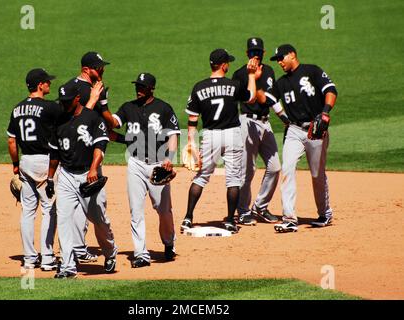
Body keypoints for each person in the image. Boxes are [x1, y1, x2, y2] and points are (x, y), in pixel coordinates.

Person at [180, 48, 259, 234]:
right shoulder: (234, 85)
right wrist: (252, 75)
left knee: (201, 176)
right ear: (224, 65)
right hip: (232, 135)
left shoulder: (198, 87)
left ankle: (188, 218)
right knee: (233, 179)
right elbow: (252, 97)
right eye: (228, 62)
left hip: (210, 136)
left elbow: (192, 120)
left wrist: (191, 143)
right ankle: (231, 221)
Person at [108, 73, 180, 268]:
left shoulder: (163, 108)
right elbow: (113, 124)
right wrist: (103, 106)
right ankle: (141, 254)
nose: (138, 89)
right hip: (135, 164)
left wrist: (169, 159)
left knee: (163, 210)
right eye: (137, 85)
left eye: (142, 86)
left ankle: (168, 242)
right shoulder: (127, 107)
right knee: (136, 211)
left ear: (151, 89)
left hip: (158, 164)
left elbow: (173, 135)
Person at [47, 80, 118, 278]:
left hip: (89, 174)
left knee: (98, 218)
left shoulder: (92, 118)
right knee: (64, 219)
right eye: (62, 101)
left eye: (67, 101)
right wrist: (50, 178)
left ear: (77, 99)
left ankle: (110, 252)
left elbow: (101, 146)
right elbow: (54, 154)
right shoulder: (59, 122)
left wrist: (94, 168)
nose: (64, 104)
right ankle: (68, 267)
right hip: (67, 175)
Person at [269, 44, 338, 232]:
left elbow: (331, 90)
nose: (280, 62)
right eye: (277, 60)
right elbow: (267, 98)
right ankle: (289, 218)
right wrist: (254, 77)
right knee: (287, 169)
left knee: (317, 174)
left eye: (282, 58)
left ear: (292, 54)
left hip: (315, 130)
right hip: (293, 130)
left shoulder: (312, 70)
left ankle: (325, 213)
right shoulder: (281, 83)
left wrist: (325, 113)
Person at [6, 68, 61, 271]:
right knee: (49, 209)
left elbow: (12, 141)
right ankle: (47, 258)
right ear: (40, 85)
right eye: (47, 82)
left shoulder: (17, 108)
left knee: (28, 211)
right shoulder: (50, 108)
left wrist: (15, 164)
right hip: (44, 163)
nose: (49, 84)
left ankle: (29, 258)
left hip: (26, 161)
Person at [61, 51, 113, 263]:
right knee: (89, 204)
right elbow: (71, 122)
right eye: (98, 67)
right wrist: (92, 99)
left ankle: (79, 247)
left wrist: (115, 125)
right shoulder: (73, 90)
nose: (102, 69)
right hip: (77, 152)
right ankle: (78, 248)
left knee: (87, 200)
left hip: (94, 147)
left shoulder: (95, 86)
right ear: (86, 69)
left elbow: (104, 116)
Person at [232, 37, 288, 225]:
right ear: (247, 53)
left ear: (263, 53)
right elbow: (251, 98)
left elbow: (270, 99)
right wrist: (252, 79)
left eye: (258, 52)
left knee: (275, 167)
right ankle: (243, 211)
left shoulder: (270, 71)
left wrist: (284, 119)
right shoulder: (240, 74)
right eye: (252, 52)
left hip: (266, 123)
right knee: (247, 171)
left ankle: (260, 207)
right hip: (246, 123)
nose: (255, 55)